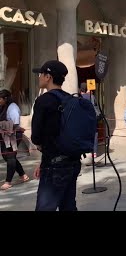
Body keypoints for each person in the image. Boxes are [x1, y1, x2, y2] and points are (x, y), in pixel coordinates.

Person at [31, 60, 82, 211]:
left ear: (48, 77)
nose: (39, 77)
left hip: (54, 167)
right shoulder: (72, 99)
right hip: (73, 162)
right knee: (68, 206)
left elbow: (36, 137)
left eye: (41, 74)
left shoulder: (43, 101)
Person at [0, 89, 29, 190]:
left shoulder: (13, 108)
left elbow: (15, 124)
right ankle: (23, 175)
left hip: (13, 135)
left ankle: (8, 182)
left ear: (5, 98)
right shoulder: (3, 106)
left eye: (0, 99)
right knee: (6, 156)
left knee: (11, 157)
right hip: (5, 135)